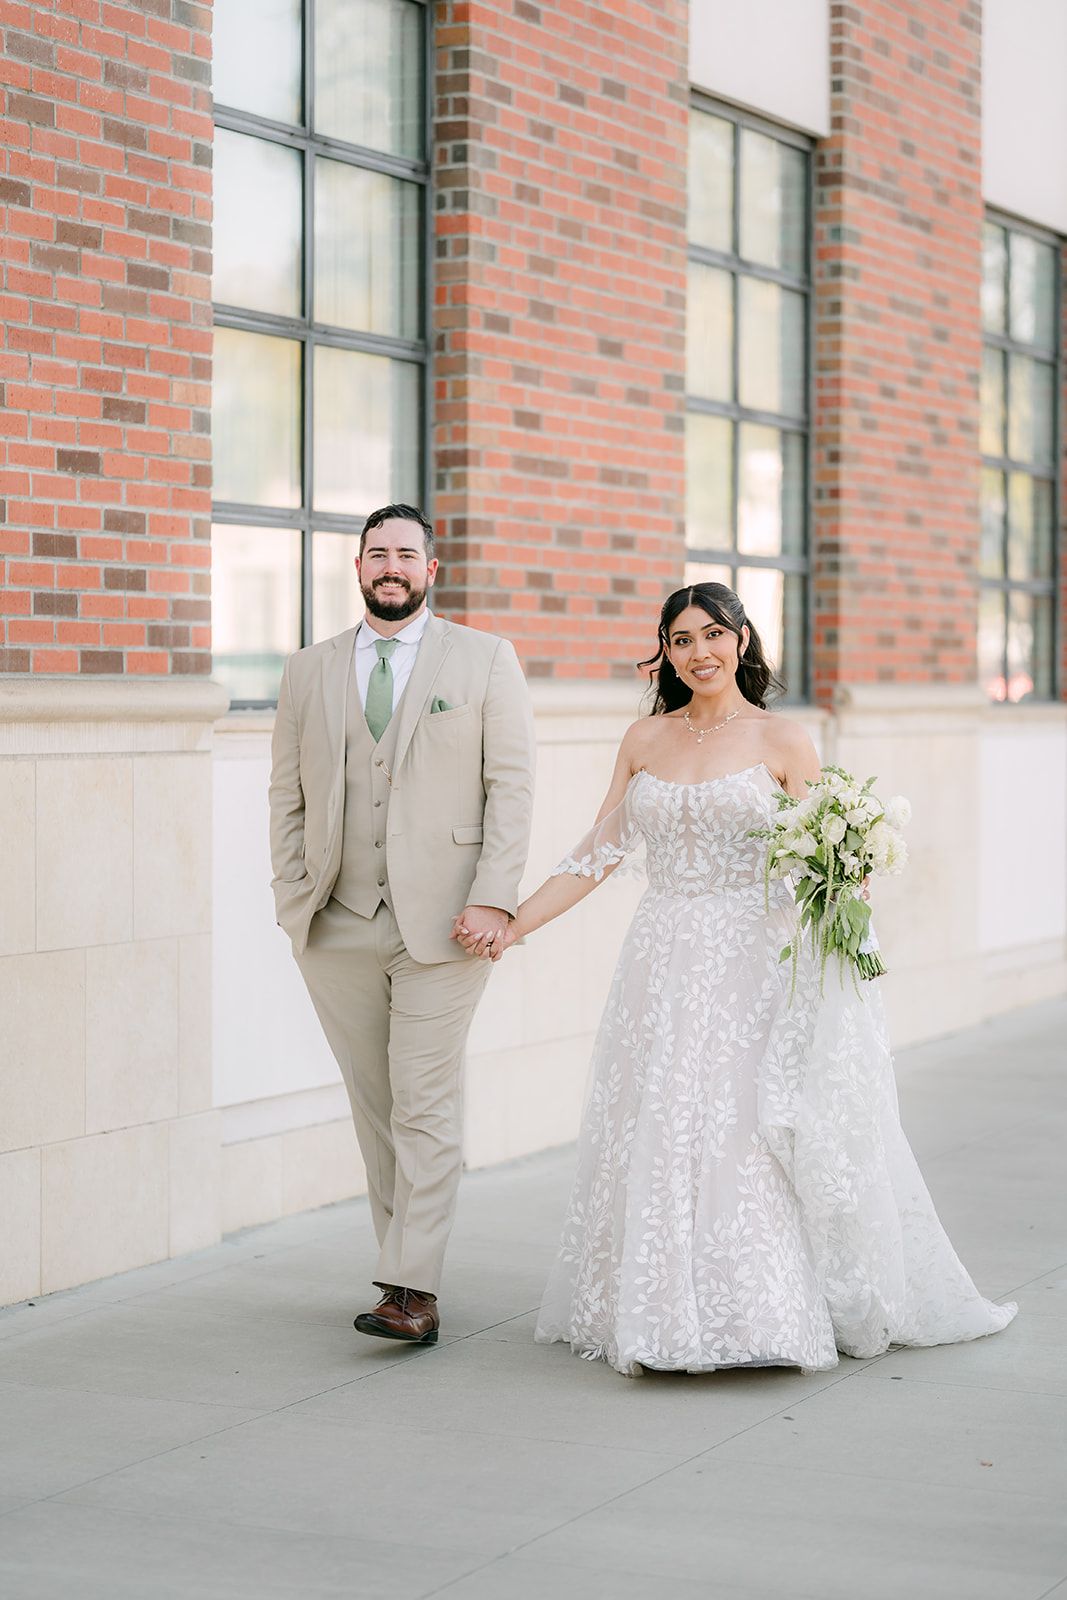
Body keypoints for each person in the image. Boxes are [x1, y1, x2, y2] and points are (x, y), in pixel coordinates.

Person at [455, 582, 1016, 1376]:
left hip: (752, 957)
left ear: (743, 641)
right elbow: (597, 852)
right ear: (665, 653)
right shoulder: (644, 739)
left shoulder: (783, 741)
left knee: (740, 1127)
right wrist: (512, 923)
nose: (699, 653)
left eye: (713, 635)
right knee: (661, 1121)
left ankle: (754, 1313)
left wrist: (846, 897)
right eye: (681, 640)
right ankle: (657, 1311)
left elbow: (828, 861)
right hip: (659, 957)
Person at [270, 504, 535, 1346]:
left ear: (431, 569)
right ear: (357, 570)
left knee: (423, 1100)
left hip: (449, 924)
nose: (391, 566)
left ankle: (409, 1288)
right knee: (376, 1104)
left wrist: (495, 895)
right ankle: (401, 1270)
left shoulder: (485, 659)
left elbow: (512, 789)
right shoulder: (308, 670)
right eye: (376, 554)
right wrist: (292, 896)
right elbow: (287, 794)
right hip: (336, 919)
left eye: (406, 554)